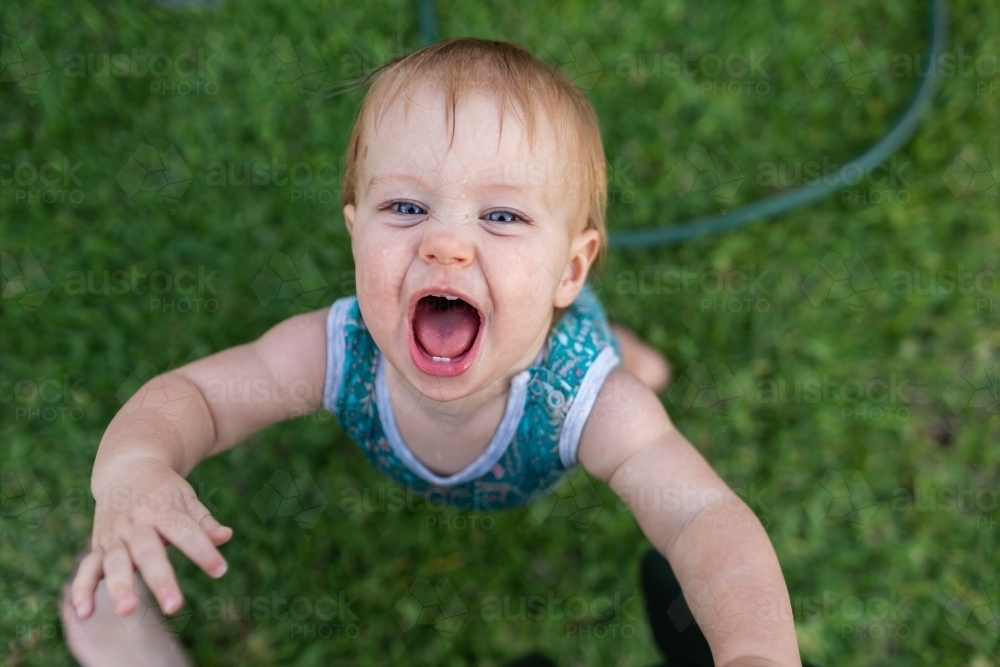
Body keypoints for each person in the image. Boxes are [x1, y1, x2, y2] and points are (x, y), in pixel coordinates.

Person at [62, 38, 800, 666]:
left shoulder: (587, 397)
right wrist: (133, 466)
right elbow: (200, 397)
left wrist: (755, 654)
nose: (445, 243)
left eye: (503, 215)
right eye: (406, 207)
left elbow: (701, 517)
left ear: (571, 268)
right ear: (355, 231)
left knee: (624, 369)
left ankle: (629, 349)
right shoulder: (336, 349)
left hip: (571, 354)